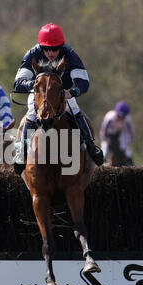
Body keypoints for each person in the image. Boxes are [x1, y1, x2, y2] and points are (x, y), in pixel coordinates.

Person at [12, 23, 103, 174]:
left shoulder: (69, 53)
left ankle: (91, 146)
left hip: (62, 93)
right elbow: (18, 83)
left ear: (61, 46)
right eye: (47, 48)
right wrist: (30, 85)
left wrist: (73, 92)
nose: (51, 52)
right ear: (41, 47)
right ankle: (22, 149)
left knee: (74, 108)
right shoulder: (32, 53)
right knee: (31, 114)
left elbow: (83, 82)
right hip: (39, 94)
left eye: (55, 48)